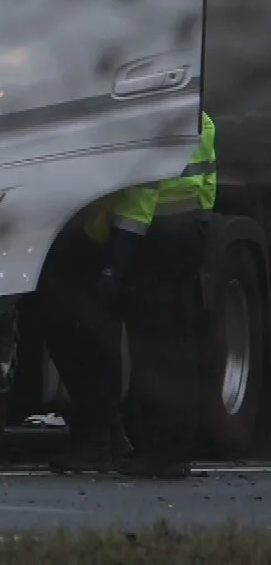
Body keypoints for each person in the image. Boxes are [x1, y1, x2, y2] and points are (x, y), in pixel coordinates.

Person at [46, 110, 217, 477]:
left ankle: (160, 454)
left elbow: (139, 203)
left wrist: (114, 265)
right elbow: (206, 189)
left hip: (155, 240)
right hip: (186, 234)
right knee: (174, 346)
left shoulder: (152, 124)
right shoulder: (201, 119)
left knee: (154, 349)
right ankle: (165, 448)